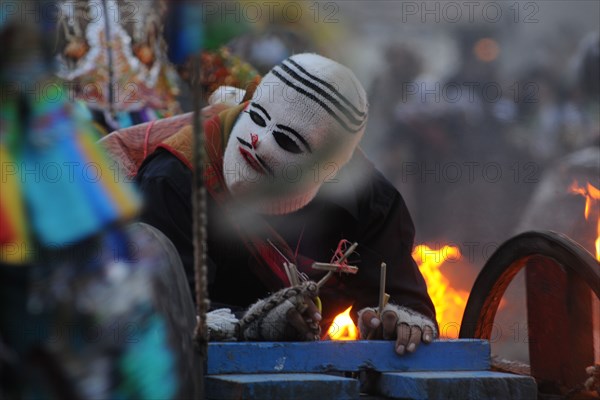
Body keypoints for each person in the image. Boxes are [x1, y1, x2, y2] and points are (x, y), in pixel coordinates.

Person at [133, 53, 437, 355]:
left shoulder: (368, 199)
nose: (258, 142)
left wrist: (396, 323)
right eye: (256, 117)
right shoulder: (174, 180)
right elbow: (165, 309)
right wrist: (256, 324)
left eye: (287, 140)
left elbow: (401, 299)